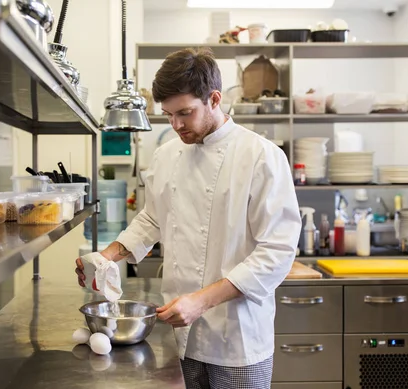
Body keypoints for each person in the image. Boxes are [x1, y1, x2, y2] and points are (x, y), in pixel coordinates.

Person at [76, 47, 301, 389]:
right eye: (168, 115)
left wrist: (200, 302)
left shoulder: (261, 157)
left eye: (185, 113)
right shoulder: (167, 155)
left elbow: (278, 252)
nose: (176, 125)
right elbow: (153, 219)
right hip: (181, 336)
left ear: (214, 99)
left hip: (237, 338)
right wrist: (108, 257)